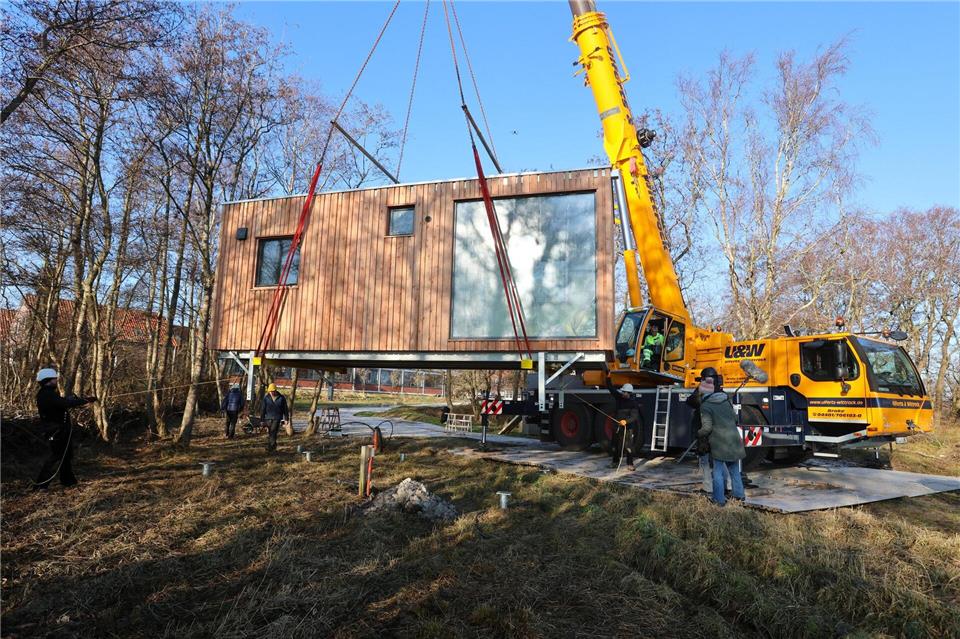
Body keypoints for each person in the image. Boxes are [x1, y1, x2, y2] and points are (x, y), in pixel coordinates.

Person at [34, 368, 95, 489]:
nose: (56, 380)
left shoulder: (49, 393)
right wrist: (85, 400)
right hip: (55, 431)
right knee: (56, 456)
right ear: (48, 380)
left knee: (65, 456)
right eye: (54, 379)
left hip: (60, 430)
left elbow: (62, 402)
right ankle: (40, 485)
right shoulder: (46, 394)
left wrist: (72, 399)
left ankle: (68, 481)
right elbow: (65, 404)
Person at [696, 373, 746, 506]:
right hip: (734, 441)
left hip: (719, 443)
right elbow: (735, 419)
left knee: (717, 471)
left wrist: (698, 433)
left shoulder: (705, 406)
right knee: (734, 470)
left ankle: (719, 499)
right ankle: (739, 496)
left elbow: (707, 428)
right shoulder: (726, 401)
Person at [686, 367, 720, 494]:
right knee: (719, 460)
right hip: (717, 429)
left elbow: (690, 401)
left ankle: (708, 487)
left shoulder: (703, 388)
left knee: (704, 459)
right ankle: (727, 485)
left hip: (704, 428)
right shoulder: (719, 390)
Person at [606, 379, 641, 471]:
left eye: (624, 392)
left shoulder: (633, 403)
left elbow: (634, 416)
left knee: (628, 446)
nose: (622, 393)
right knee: (614, 445)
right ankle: (615, 462)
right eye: (622, 392)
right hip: (617, 426)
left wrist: (626, 421)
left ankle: (630, 464)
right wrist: (608, 378)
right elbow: (611, 389)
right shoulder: (619, 397)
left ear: (629, 393)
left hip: (628, 428)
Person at [260, 383, 289, 452]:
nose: (271, 393)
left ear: (275, 390)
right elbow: (263, 409)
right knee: (271, 432)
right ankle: (273, 445)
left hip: (277, 417)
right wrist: (262, 420)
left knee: (273, 431)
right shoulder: (266, 398)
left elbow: (285, 409)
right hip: (268, 418)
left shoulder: (281, 398)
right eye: (270, 391)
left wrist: (286, 418)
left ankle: (271, 447)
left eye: (273, 391)